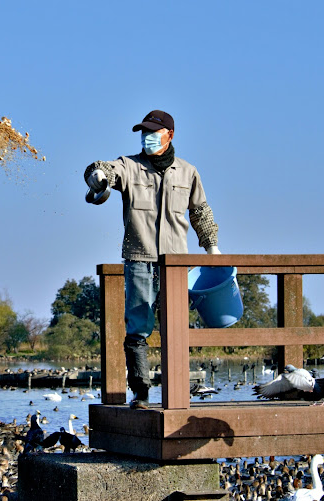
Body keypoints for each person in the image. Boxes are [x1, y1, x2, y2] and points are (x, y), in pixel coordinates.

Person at [84, 110, 220, 409]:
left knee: (175, 325)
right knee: (138, 328)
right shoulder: (130, 166)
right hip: (139, 259)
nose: (146, 137)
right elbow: (104, 168)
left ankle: (178, 395)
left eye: (153, 132)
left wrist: (212, 247)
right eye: (143, 132)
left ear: (169, 135)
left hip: (175, 263)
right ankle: (141, 392)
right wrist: (97, 175)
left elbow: (200, 211)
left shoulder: (188, 172)